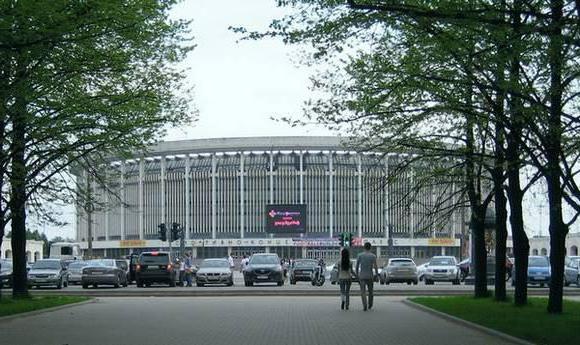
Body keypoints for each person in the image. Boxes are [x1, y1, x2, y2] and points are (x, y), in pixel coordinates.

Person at [356, 242, 379, 311]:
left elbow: (357, 266)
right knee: (370, 291)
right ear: (370, 247)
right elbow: (375, 266)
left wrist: (357, 275)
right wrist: (377, 275)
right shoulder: (373, 256)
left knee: (363, 292)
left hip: (362, 276)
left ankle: (364, 305)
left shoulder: (360, 255)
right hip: (370, 276)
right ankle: (370, 304)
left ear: (364, 247)